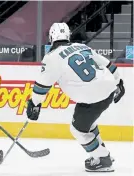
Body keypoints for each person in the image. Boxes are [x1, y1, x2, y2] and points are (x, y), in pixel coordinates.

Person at [26, 23, 125, 172]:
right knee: (87, 125)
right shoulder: (82, 47)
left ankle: (104, 160)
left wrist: (34, 104)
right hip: (108, 90)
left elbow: (41, 86)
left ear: (51, 37)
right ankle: (101, 154)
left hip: (90, 97)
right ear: (68, 35)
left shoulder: (51, 57)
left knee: (78, 129)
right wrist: (119, 82)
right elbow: (109, 65)